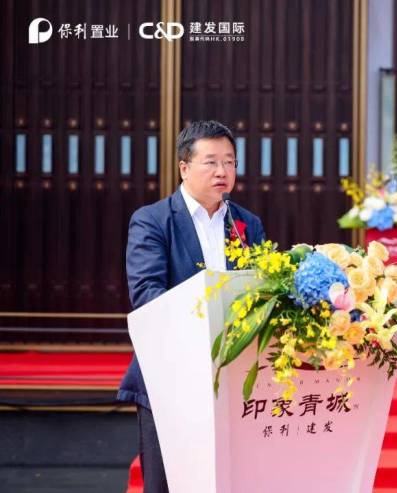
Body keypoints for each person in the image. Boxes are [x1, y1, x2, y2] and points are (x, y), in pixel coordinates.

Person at [117, 120, 265, 492]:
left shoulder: (247, 224)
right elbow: (147, 295)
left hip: (232, 377)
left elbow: (264, 290)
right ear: (184, 167)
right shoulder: (153, 221)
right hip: (171, 376)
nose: (222, 171)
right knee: (167, 484)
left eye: (229, 162)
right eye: (211, 162)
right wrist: (208, 319)